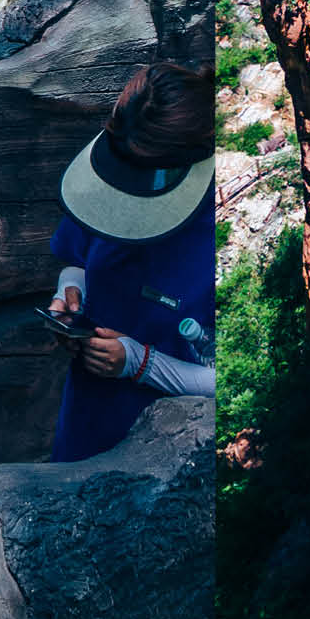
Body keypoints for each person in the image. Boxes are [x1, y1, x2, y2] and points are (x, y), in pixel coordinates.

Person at [46, 59, 215, 458]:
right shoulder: (119, 167)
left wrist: (141, 364)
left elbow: (233, 380)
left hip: (171, 451)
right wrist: (70, 293)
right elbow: (79, 258)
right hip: (88, 419)